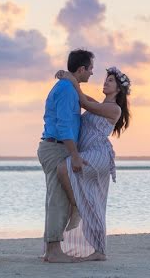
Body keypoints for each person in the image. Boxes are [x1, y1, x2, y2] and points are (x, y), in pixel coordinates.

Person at [53, 65, 131, 261]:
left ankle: (77, 206)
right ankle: (98, 251)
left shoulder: (114, 109)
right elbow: (84, 98)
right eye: (106, 79)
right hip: (88, 152)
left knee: (64, 169)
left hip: (99, 154)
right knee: (94, 202)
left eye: (111, 80)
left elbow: (84, 103)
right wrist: (69, 79)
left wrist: (71, 79)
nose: (105, 82)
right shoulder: (99, 103)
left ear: (119, 89)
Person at [37, 49, 93, 263]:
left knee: (56, 197)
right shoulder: (66, 89)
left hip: (57, 146)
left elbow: (90, 103)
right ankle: (53, 251)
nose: (92, 73)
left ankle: (52, 248)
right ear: (82, 69)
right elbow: (63, 126)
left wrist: (73, 82)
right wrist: (75, 154)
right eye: (90, 69)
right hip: (57, 147)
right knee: (58, 199)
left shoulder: (69, 87)